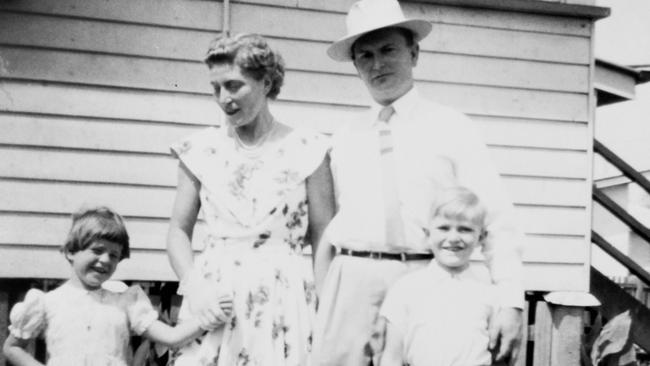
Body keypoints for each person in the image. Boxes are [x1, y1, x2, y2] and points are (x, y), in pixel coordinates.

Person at [312, 0, 524, 365]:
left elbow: (496, 219)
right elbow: (327, 227)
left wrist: (510, 300)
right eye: (365, 56)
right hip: (351, 284)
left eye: (388, 50)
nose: (377, 64)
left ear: (414, 53)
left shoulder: (452, 127)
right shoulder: (344, 136)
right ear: (355, 66)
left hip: (431, 278)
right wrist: (325, 292)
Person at [166, 33, 335, 365]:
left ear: (266, 82)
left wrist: (327, 306)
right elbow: (177, 232)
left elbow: (324, 235)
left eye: (233, 85)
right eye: (215, 88)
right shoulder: (199, 150)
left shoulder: (309, 149)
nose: (223, 98)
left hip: (283, 298)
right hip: (214, 297)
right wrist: (194, 285)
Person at [2, 207, 230, 366]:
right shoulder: (47, 302)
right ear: (71, 252)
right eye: (97, 250)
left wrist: (212, 314)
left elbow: (171, 337)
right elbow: (12, 347)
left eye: (114, 255)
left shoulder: (124, 302)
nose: (105, 260)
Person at [379, 186, 498, 366]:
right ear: (427, 234)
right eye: (444, 228)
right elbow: (391, 357)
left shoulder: (488, 293)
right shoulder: (406, 289)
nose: (453, 237)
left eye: (465, 229)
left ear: (481, 237)